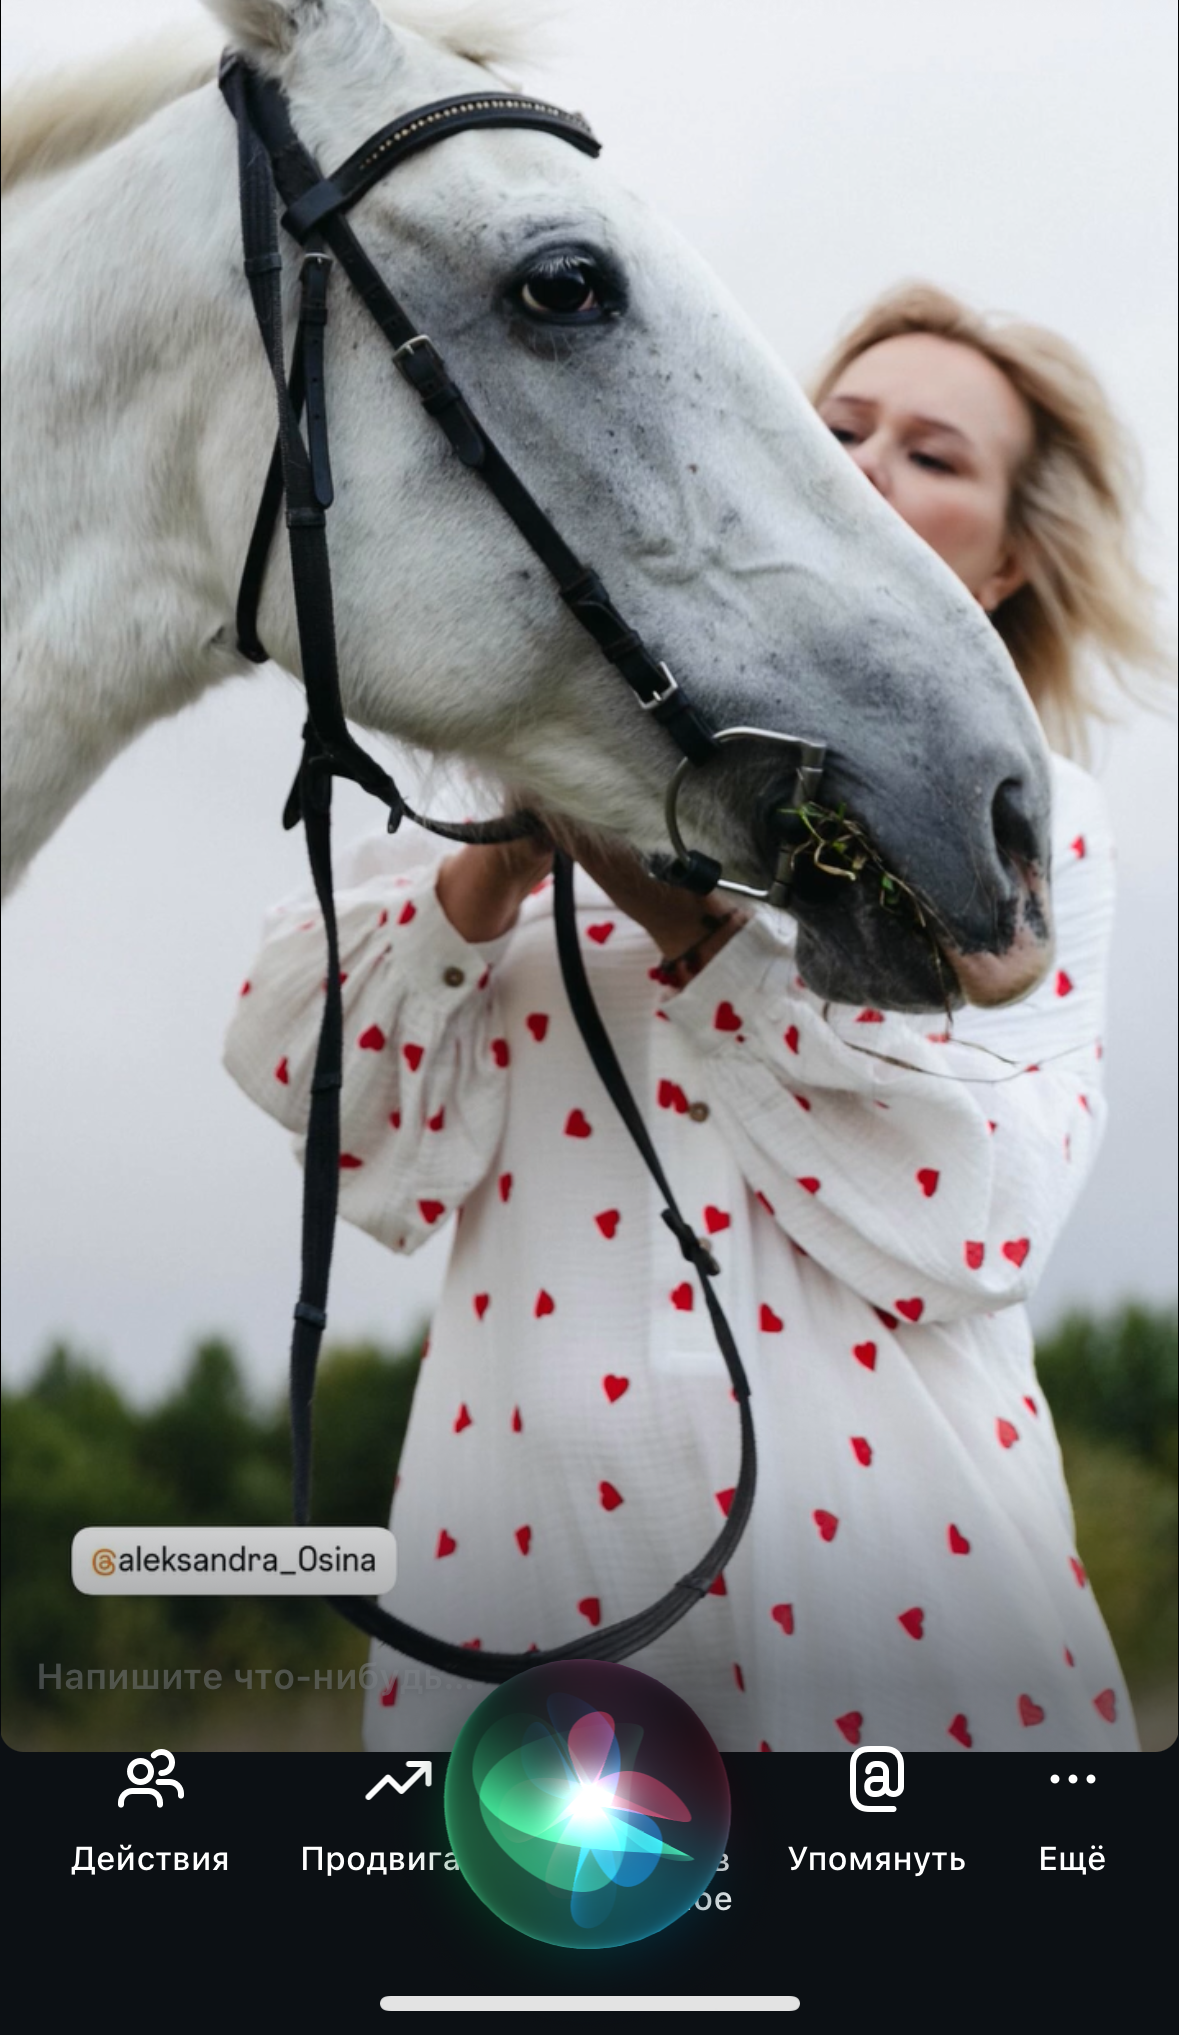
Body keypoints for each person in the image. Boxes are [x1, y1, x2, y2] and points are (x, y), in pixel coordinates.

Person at [224, 282, 1171, 1754]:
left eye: (933, 456)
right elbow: (336, 1114)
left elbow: (980, 1219)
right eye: (834, 431)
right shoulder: (540, 739)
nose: (864, 468)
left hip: (899, 1594)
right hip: (528, 1581)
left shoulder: (1028, 832)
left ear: (1003, 568)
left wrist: (679, 924)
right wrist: (503, 849)